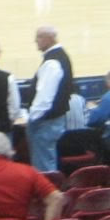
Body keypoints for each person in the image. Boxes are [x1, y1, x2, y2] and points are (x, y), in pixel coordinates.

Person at [25, 25, 73, 173]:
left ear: (50, 38)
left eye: (39, 37)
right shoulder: (60, 57)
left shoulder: (52, 62)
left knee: (43, 167)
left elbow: (44, 99)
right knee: (47, 160)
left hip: (45, 123)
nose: (35, 41)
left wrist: (31, 117)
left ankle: (48, 194)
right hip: (54, 120)